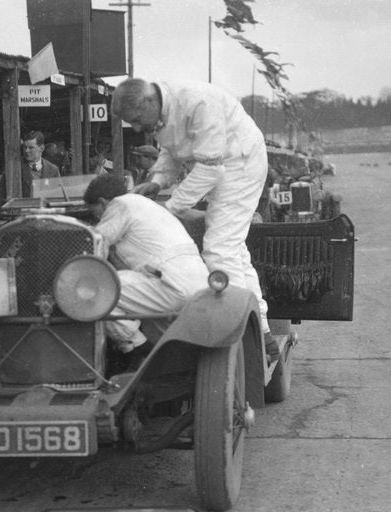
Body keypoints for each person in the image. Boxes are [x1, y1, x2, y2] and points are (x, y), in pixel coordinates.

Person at [112, 78, 279, 361]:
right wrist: (157, 181)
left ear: (150, 101)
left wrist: (171, 208)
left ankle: (239, 337)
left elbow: (211, 171)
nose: (138, 128)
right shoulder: (163, 111)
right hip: (221, 165)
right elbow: (171, 150)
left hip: (240, 162)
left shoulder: (197, 102)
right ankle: (261, 331)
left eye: (138, 119)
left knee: (219, 248)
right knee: (233, 247)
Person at [83, 174, 209, 372]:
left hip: (171, 283)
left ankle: (138, 350)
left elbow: (97, 245)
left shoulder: (120, 204)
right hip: (194, 281)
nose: (100, 219)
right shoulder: (149, 206)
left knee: (93, 290)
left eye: (98, 214)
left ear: (103, 202)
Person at [0, 130, 60, 204]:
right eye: (24, 147)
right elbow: (1, 197)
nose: (26, 151)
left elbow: (58, 196)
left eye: (31, 147)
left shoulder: (53, 170)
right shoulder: (14, 169)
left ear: (41, 148)